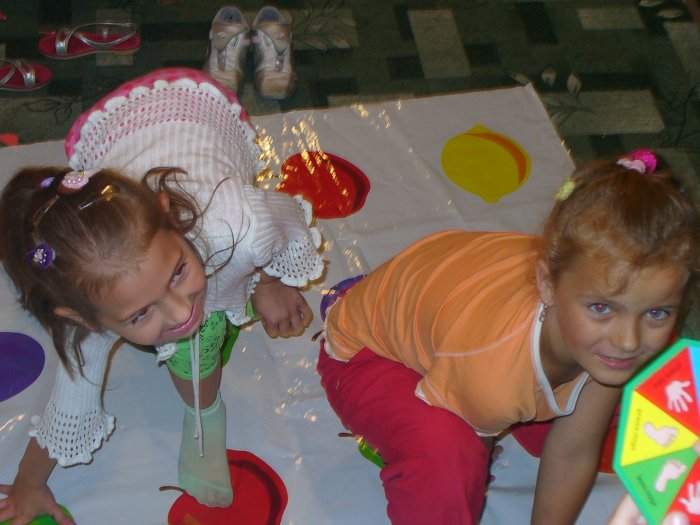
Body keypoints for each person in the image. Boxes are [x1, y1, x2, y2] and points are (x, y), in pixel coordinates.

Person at [0, 67, 324, 525]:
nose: (182, 311)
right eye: (139, 313)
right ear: (84, 319)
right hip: (126, 141)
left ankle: (205, 403)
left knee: (204, 324)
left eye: (177, 272)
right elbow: (69, 406)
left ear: (169, 215)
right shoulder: (89, 318)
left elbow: (283, 218)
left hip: (200, 117)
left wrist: (270, 281)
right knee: (190, 341)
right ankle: (199, 403)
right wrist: (29, 483)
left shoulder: (237, 220)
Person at [317, 149, 700, 524]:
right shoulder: (492, 372)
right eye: (602, 308)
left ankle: (515, 413)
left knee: (641, 399)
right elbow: (476, 450)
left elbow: (573, 450)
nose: (629, 340)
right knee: (448, 456)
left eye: (657, 313)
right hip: (364, 354)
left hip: (450, 312)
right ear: (547, 285)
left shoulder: (597, 324)